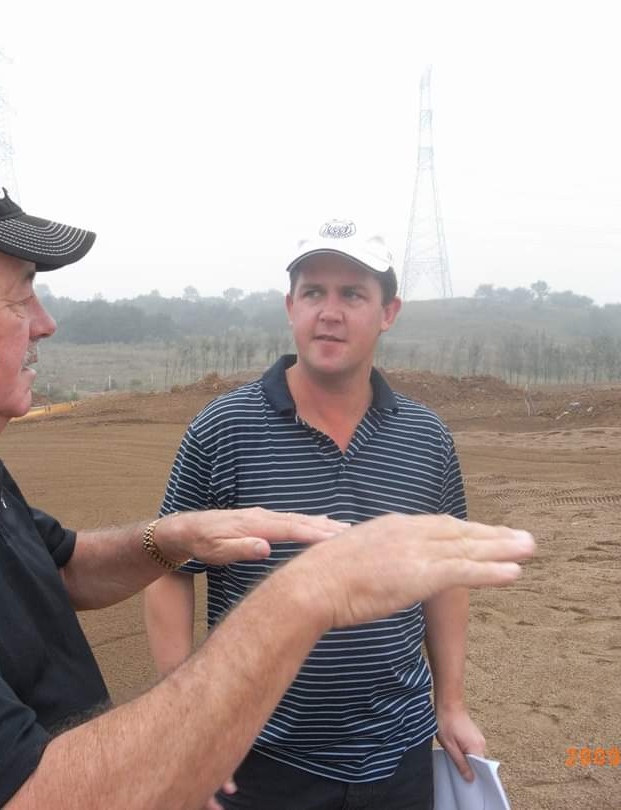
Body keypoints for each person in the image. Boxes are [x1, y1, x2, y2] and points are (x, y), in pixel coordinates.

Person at [0, 150, 533, 810]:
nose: (46, 323)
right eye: (21, 297)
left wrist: (164, 541)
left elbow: (52, 568)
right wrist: (303, 598)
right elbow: (20, 797)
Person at [145, 219, 481, 809]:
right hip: (257, 754)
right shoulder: (223, 430)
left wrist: (450, 705)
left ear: (388, 312)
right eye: (314, 293)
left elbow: (445, 577)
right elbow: (171, 570)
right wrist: (184, 722)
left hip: (398, 754)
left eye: (352, 294)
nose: (330, 311)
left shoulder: (426, 438)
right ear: (290, 307)